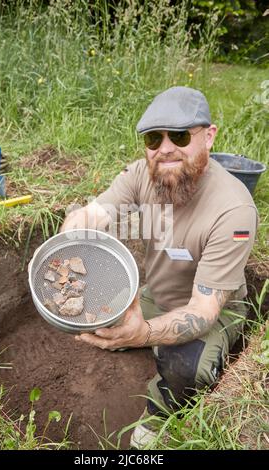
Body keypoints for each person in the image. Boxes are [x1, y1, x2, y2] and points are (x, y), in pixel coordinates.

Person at [60, 86, 258, 448]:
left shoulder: (234, 210)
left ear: (209, 136)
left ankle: (161, 413)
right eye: (154, 138)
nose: (165, 148)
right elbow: (98, 212)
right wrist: (76, 225)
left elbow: (202, 310)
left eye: (180, 135)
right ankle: (140, 337)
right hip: (155, 296)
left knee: (188, 367)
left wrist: (142, 333)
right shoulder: (142, 175)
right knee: (102, 318)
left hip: (215, 310)